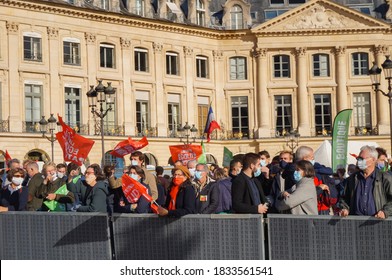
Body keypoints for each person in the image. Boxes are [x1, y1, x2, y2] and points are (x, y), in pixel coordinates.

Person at [339, 145, 392, 219]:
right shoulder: (353, 178)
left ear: (373, 159)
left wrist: (385, 211)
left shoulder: (385, 178)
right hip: (356, 222)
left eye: (362, 159)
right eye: (358, 158)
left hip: (378, 221)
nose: (359, 161)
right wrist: (345, 208)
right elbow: (344, 198)